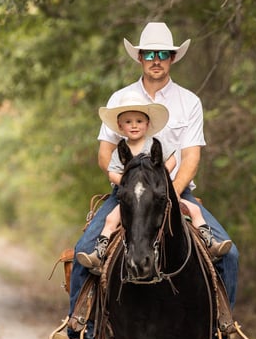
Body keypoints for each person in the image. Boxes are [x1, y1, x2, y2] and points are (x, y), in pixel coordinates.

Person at [50, 22, 251, 339]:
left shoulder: (189, 102)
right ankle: (80, 335)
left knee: (228, 254)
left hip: (175, 193)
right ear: (140, 58)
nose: (156, 60)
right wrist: (125, 185)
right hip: (127, 194)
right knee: (85, 249)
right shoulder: (121, 99)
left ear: (172, 58)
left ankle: (220, 336)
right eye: (150, 54)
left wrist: (166, 196)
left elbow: (190, 158)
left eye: (163, 54)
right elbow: (104, 154)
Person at [76, 91, 232, 273]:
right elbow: (111, 172)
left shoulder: (155, 143)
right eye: (128, 122)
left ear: (147, 123)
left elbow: (173, 159)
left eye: (139, 121)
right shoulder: (122, 149)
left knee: (195, 210)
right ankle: (99, 252)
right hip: (128, 196)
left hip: (161, 192)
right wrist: (128, 184)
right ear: (120, 126)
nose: (134, 126)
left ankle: (210, 242)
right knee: (111, 219)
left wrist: (161, 177)